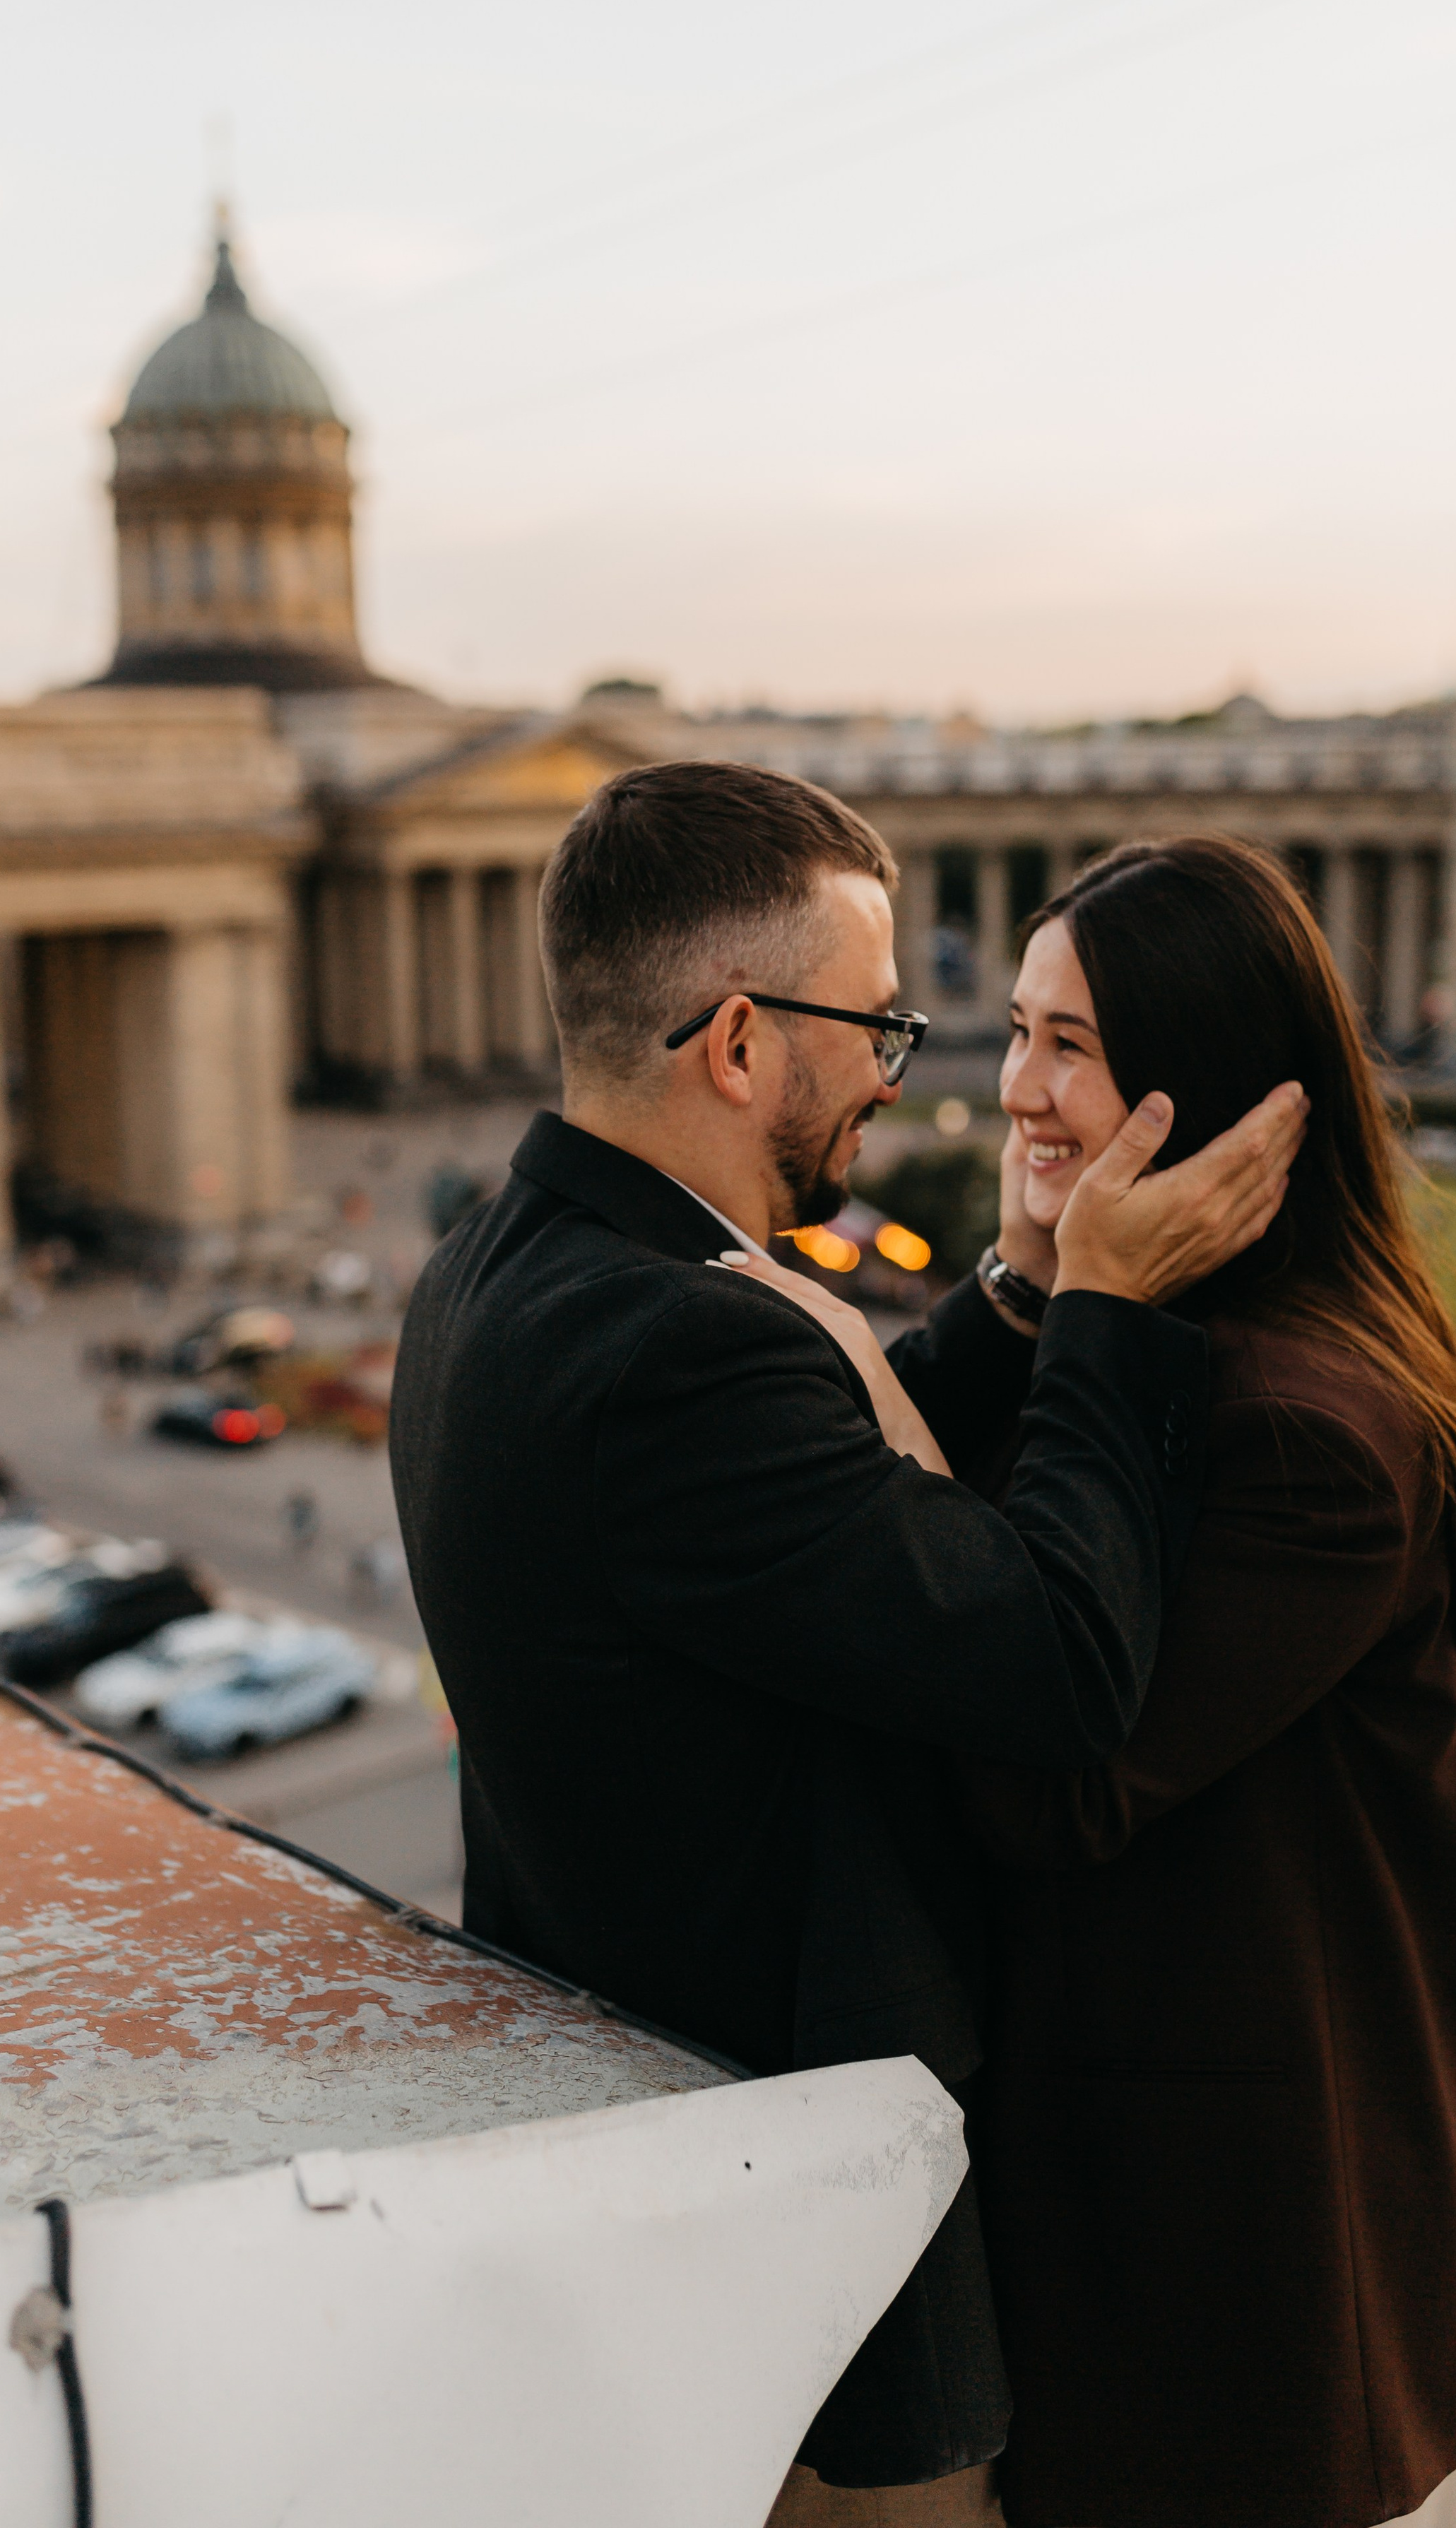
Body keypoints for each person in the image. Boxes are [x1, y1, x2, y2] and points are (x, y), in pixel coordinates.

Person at [389, 764, 1306, 2524]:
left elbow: (804, 1537)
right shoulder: (675, 1348)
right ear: (738, 1041)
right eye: (874, 1023)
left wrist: (1023, 1292)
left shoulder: (503, 1272)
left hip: (645, 2108)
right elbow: (1058, 1666)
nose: (900, 1071)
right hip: (802, 2195)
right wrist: (1112, 1313)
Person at [942, 839, 1456, 2528]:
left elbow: (1041, 1773)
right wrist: (1037, 1289)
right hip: (1184, 2248)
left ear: (1182, 1092)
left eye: (1068, 1046)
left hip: (1256, 2301)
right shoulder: (1204, 1357)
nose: (1015, 1090)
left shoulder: (1299, 1431)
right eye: (1019, 1030)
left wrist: (1083, 1301)